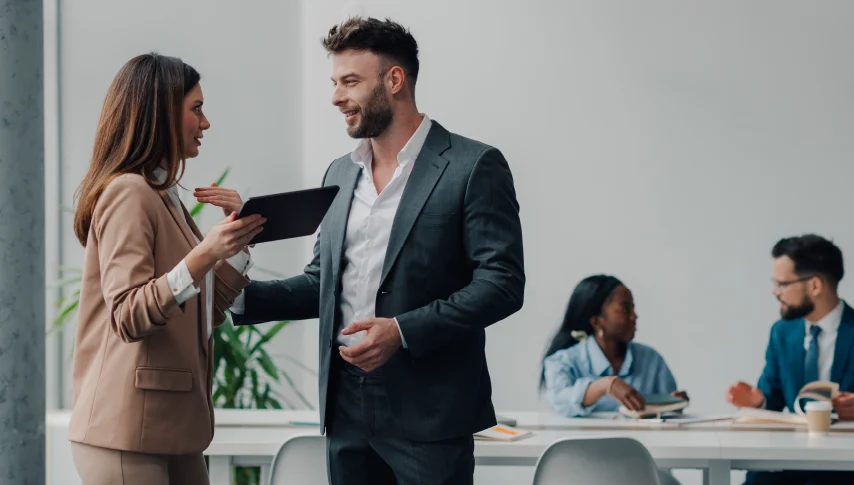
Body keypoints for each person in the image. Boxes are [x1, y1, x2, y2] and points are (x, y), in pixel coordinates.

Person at [197, 17, 524, 485]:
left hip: (430, 413)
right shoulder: (339, 173)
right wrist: (228, 294)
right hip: (345, 406)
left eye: (350, 81)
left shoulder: (473, 166)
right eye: (334, 82)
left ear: (395, 81)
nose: (335, 97)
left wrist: (400, 331)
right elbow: (321, 283)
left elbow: (502, 284)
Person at [68, 53, 265, 485]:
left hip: (171, 428)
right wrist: (203, 255)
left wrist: (235, 243)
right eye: (196, 109)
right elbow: (128, 314)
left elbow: (198, 313)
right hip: (125, 431)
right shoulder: (129, 192)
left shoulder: (163, 194)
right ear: (159, 112)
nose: (206, 122)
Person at [726, 234, 854, 485]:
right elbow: (773, 399)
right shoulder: (782, 333)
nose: (775, 292)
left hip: (851, 466)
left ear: (815, 286)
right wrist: (758, 402)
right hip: (789, 462)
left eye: (782, 284)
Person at [541, 275, 687, 417]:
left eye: (633, 308)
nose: (634, 316)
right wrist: (605, 385)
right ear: (597, 321)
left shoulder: (651, 359)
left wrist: (674, 403)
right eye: (625, 309)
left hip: (642, 441)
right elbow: (560, 401)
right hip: (587, 441)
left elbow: (667, 414)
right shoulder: (562, 361)